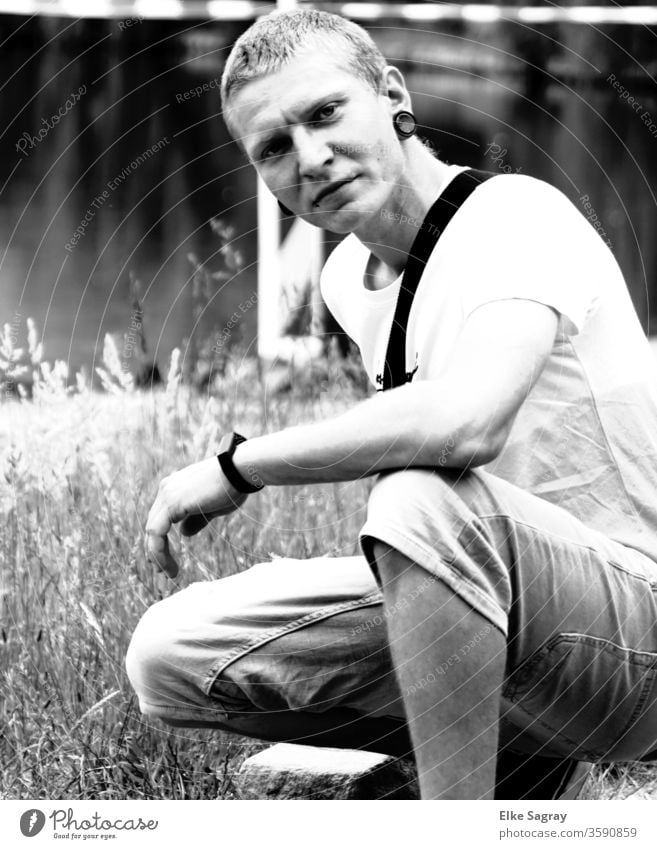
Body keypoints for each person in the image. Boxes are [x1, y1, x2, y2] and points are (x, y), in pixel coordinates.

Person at [126, 9, 657, 800]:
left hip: (632, 631)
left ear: (392, 93)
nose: (310, 157)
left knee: (418, 498)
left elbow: (465, 423)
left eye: (325, 113)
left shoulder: (516, 217)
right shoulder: (350, 281)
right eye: (273, 147)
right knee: (169, 657)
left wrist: (240, 466)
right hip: (504, 612)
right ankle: (529, 777)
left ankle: (452, 825)